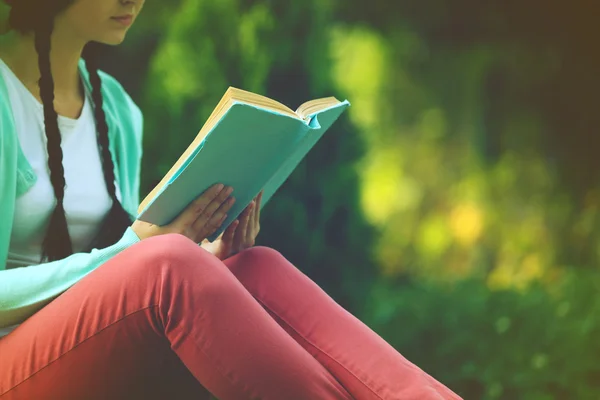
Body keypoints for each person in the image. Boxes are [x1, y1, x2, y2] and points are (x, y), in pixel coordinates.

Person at [0, 0, 462, 399]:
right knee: (168, 266)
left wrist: (208, 260)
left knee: (254, 266)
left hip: (78, 344)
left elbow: (111, 272)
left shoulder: (115, 109)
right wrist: (136, 251)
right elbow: (129, 260)